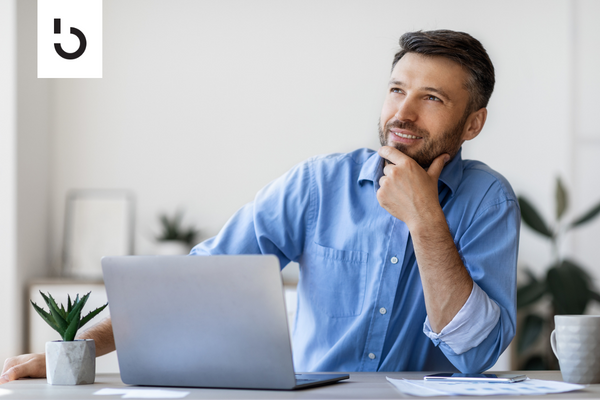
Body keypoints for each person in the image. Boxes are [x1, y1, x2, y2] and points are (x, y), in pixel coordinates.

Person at [1, 29, 519, 383]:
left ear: (473, 123)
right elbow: (198, 281)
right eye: (396, 90)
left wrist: (425, 217)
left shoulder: (487, 201)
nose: (401, 113)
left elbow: (474, 354)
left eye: (431, 98)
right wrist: (78, 351)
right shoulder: (318, 184)